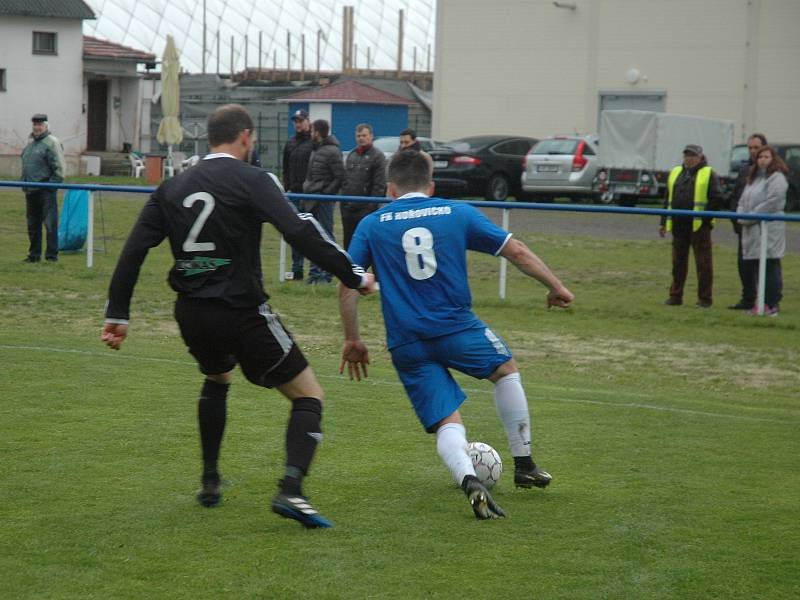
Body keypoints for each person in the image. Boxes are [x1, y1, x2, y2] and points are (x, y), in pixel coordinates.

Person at [101, 104, 375, 529]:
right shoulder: (253, 178)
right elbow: (300, 228)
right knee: (309, 395)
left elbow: (134, 250)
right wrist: (354, 274)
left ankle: (210, 481)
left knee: (217, 377)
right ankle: (291, 490)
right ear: (245, 137)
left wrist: (118, 313)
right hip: (241, 311)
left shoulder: (172, 187)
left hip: (191, 313)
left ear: (211, 138)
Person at [338, 151, 574, 520]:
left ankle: (470, 480)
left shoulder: (372, 224)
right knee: (505, 370)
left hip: (407, 341)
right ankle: (524, 463)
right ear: (431, 186)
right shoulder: (456, 212)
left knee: (448, 421)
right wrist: (556, 286)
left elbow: (347, 283)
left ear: (390, 188)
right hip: (458, 328)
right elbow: (516, 251)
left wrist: (353, 339)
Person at [659, 144, 724, 308]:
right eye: (687, 155)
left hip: (699, 227)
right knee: (677, 264)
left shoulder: (709, 173)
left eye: (693, 155)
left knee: (703, 265)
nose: (689, 158)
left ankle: (705, 299)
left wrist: (705, 220)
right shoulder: (675, 172)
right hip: (678, 225)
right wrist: (663, 222)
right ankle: (675, 296)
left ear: (700, 157)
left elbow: (717, 198)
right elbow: (667, 199)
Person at [736, 145, 789, 317]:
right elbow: (742, 201)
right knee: (758, 266)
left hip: (769, 229)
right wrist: (742, 215)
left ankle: (772, 304)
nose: (763, 160)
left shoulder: (777, 178)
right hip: (753, 230)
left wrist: (749, 217)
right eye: (760, 157)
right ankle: (761, 303)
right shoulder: (753, 179)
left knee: (770, 265)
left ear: (773, 158)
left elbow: (774, 201)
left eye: (766, 156)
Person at [302, 119, 345, 284]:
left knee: (326, 237)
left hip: (324, 201)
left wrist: (326, 193)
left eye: (312, 130)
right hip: (311, 198)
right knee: (313, 237)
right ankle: (314, 275)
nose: (310, 133)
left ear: (318, 133)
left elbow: (340, 176)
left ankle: (327, 274)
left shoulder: (333, 151)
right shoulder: (315, 150)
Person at [728, 133, 768, 310]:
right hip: (743, 227)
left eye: (756, 147)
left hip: (762, 228)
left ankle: (767, 300)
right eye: (750, 148)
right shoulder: (745, 170)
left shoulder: (772, 171)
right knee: (743, 264)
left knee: (764, 265)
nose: (752, 151)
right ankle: (747, 298)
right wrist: (735, 218)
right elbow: (736, 196)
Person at [20, 113, 65, 263]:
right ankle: (34, 255)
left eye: (40, 125)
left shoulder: (52, 142)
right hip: (30, 190)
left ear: (46, 126)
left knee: (50, 225)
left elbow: (59, 167)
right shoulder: (31, 144)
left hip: (45, 190)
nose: (37, 127)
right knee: (33, 225)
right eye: (35, 124)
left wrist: (51, 185)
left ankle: (52, 256)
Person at [340, 123, 387, 249]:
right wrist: (344, 205)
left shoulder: (378, 156)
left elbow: (379, 185)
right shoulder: (351, 155)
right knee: (349, 246)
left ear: (371, 136)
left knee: (367, 246)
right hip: (348, 209)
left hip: (365, 210)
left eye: (364, 135)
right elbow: (345, 180)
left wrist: (370, 208)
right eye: (358, 135)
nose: (361, 138)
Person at [282, 109, 314, 281]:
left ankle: (316, 271)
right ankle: (297, 269)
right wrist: (287, 187)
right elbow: (285, 168)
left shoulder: (313, 143)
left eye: (301, 120)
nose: (298, 124)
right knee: (295, 233)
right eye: (296, 121)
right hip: (294, 193)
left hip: (310, 195)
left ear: (308, 121)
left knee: (313, 233)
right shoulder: (290, 143)